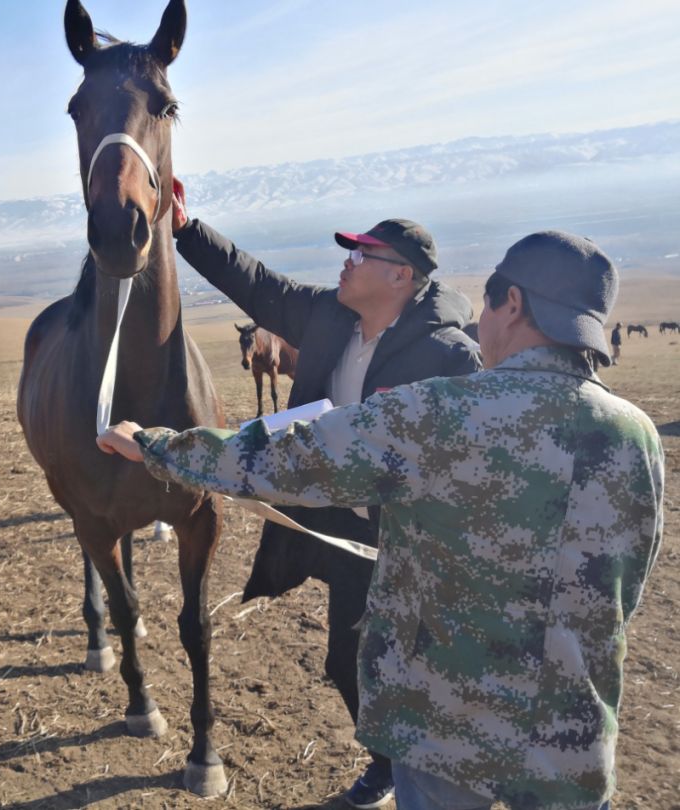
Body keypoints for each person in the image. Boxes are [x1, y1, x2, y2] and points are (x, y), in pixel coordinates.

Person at [97, 230, 662, 810]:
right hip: (570, 741)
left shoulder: (442, 410)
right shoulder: (636, 436)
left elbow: (283, 460)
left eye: (489, 302)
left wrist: (155, 445)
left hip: (447, 729)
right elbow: (626, 585)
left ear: (512, 304)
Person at [168, 179, 482, 807]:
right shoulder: (330, 316)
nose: (347, 260)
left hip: (412, 541)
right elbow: (256, 283)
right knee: (346, 661)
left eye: (361, 255)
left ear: (401, 276)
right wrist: (183, 228)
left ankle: (430, 773)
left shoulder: (450, 356)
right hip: (343, 527)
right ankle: (387, 763)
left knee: (421, 669)